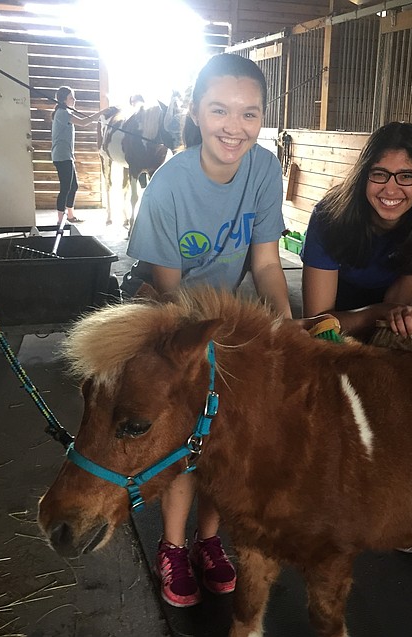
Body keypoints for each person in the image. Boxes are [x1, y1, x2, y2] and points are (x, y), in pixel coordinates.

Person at [123, 53, 292, 608]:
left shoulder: (265, 170)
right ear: (195, 113)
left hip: (234, 317)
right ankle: (173, 545)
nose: (234, 127)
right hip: (177, 321)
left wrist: (284, 328)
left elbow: (267, 264)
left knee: (234, 428)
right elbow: (171, 296)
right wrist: (206, 353)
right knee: (188, 430)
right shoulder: (168, 188)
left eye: (249, 113)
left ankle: (209, 538)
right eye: (219, 110)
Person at [301, 121, 412, 341]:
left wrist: (390, 312)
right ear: (363, 176)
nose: (390, 189)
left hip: (402, 302)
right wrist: (376, 314)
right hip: (340, 302)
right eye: (379, 174)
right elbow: (317, 323)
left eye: (406, 176)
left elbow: (398, 299)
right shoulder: (328, 216)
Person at [51, 86, 97, 224]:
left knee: (73, 186)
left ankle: (70, 216)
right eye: (71, 97)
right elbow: (84, 122)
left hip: (66, 155)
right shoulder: (62, 113)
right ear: (64, 100)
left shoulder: (64, 112)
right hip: (62, 156)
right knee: (65, 187)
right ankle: (60, 220)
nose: (74, 99)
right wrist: (101, 113)